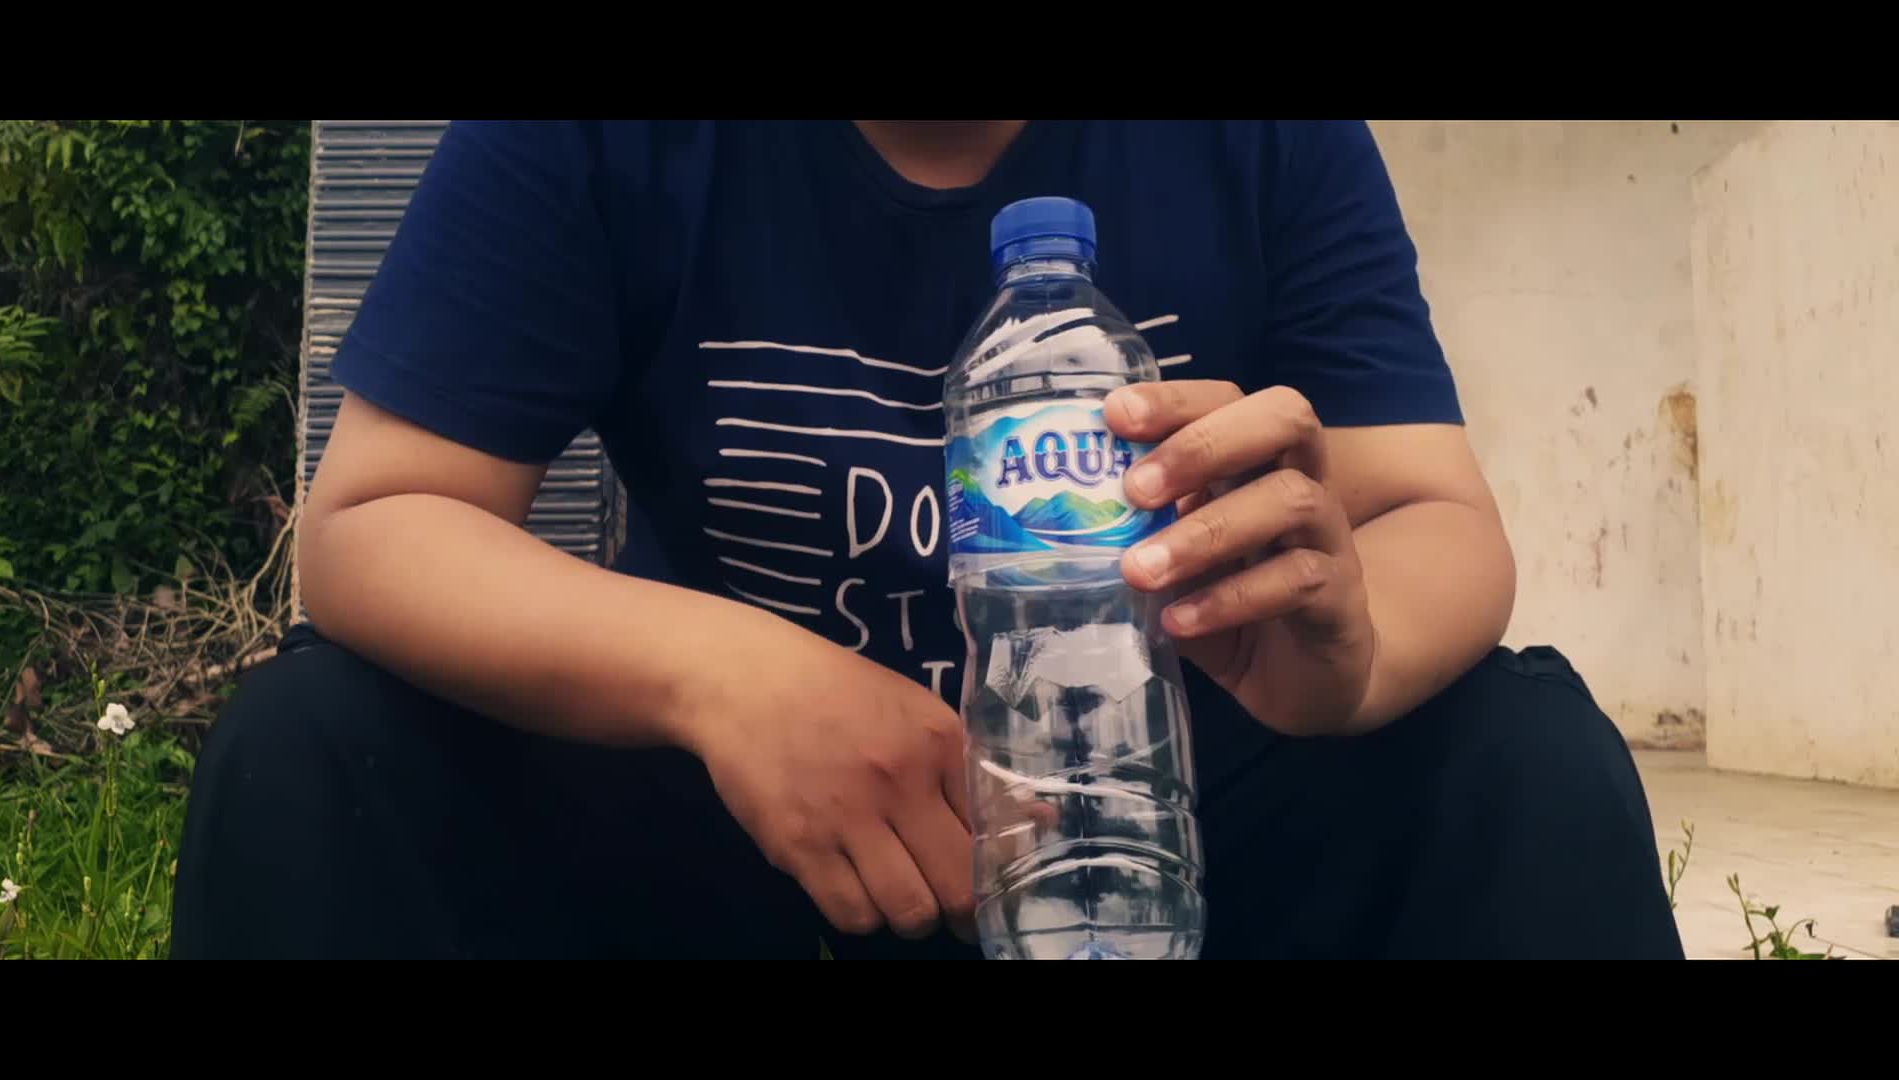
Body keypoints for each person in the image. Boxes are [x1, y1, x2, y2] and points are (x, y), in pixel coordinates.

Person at [170, 120, 1686, 959]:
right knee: (315, 744)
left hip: (1153, 841)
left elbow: (1435, 515)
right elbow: (374, 521)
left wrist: (1343, 657)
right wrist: (724, 676)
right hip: (742, 834)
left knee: (1521, 754)